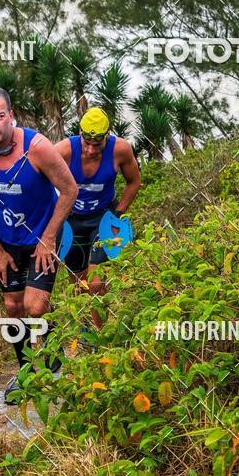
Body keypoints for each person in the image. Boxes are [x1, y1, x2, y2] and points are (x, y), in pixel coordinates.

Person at [0, 86, 78, 403]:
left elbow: (70, 190)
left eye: (0, 116)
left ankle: (55, 354)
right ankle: (25, 371)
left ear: (11, 116)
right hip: (8, 240)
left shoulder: (37, 148)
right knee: (13, 307)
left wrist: (49, 238)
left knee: (35, 307)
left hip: (43, 235)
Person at [55, 107, 141, 327]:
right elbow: (39, 180)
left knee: (96, 283)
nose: (91, 150)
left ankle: (102, 334)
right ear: (80, 133)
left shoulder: (120, 149)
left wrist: (118, 213)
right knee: (79, 284)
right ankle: (88, 331)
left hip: (102, 219)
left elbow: (134, 182)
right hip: (72, 221)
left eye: (98, 144)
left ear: (107, 136)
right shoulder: (63, 151)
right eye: (87, 143)